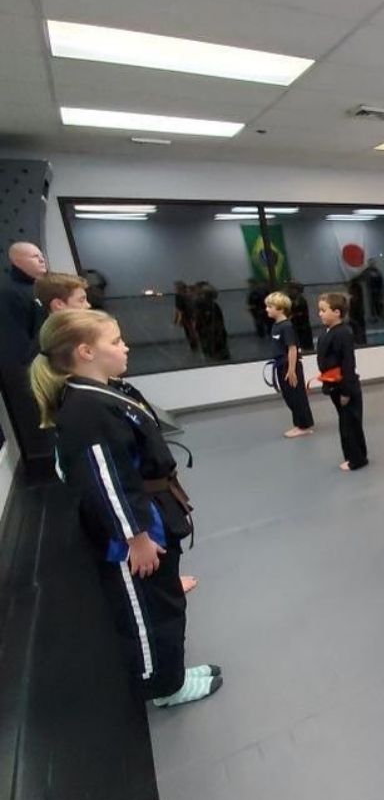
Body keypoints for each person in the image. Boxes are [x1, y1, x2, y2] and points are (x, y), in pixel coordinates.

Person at [29, 310, 222, 708]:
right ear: (85, 351)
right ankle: (164, 688)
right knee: (149, 612)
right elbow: (105, 482)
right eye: (115, 341)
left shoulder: (105, 392)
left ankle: (173, 672)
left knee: (166, 599)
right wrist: (136, 539)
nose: (125, 346)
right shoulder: (86, 410)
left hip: (152, 513)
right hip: (133, 531)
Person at [0, 242, 50, 466]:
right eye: (33, 256)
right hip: (27, 369)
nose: (41, 259)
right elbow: (16, 341)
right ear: (17, 261)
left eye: (41, 255)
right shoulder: (9, 292)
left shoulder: (38, 288)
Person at [314, 292, 368, 472]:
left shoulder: (344, 333)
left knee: (349, 424)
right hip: (333, 383)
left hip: (345, 385)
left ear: (337, 312)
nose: (320, 314)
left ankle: (357, 459)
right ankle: (354, 455)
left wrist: (346, 391)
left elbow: (347, 364)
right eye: (319, 310)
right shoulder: (328, 332)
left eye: (323, 310)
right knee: (345, 421)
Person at [264, 291, 314, 439]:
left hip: (289, 365)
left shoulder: (286, 327)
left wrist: (292, 370)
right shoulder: (276, 326)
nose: (267, 309)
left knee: (296, 395)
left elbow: (292, 348)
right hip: (280, 365)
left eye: (270, 306)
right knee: (288, 395)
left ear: (280, 308)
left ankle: (304, 425)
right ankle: (299, 423)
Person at [286, 281, 314, 351]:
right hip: (293, 327)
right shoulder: (288, 300)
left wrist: (294, 315)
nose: (291, 291)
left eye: (293, 289)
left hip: (303, 327)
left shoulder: (302, 301)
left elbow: (303, 314)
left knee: (306, 345)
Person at [173, 281, 199, 354]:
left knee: (190, 332)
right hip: (192, 316)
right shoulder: (188, 295)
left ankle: (194, 348)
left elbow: (179, 309)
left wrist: (177, 320)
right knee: (193, 331)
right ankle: (196, 347)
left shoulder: (179, 296)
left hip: (187, 317)